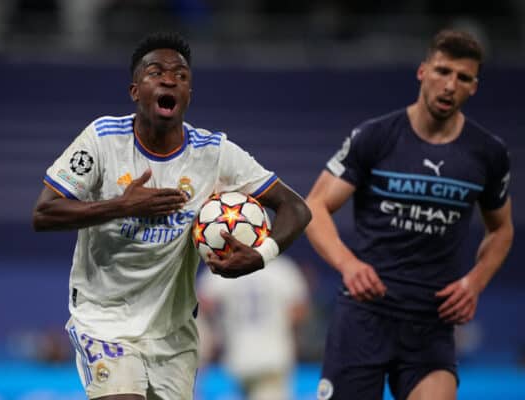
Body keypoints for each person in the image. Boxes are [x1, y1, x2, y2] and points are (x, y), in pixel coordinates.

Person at [32, 32, 311, 400]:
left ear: (188, 96)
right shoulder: (102, 140)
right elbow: (43, 213)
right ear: (135, 91)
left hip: (173, 335)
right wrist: (122, 206)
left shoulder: (214, 154)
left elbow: (296, 208)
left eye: (180, 76)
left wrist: (261, 255)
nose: (169, 79)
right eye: (156, 72)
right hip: (104, 322)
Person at [305, 29, 513, 400]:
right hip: (364, 317)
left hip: (431, 322)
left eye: (463, 77)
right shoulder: (375, 137)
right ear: (422, 72)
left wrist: (475, 282)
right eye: (442, 71)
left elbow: (501, 230)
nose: (450, 85)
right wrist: (348, 264)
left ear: (474, 87)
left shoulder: (488, 154)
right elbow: (315, 206)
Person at [197, 254, 310, 400]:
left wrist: (216, 330)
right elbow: (299, 310)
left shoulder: (225, 264)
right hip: (274, 356)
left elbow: (201, 303)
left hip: (239, 356)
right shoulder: (282, 268)